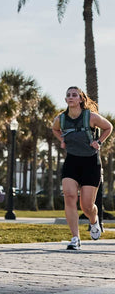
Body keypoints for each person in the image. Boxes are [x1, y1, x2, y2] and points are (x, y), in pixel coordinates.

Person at [52, 86, 113, 250]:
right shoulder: (61, 119)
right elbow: (55, 129)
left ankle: (94, 221)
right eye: (68, 95)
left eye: (74, 95)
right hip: (72, 161)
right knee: (69, 196)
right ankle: (75, 238)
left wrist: (98, 141)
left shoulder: (91, 117)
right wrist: (62, 140)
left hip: (91, 162)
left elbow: (109, 127)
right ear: (66, 100)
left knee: (86, 205)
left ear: (80, 99)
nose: (71, 97)